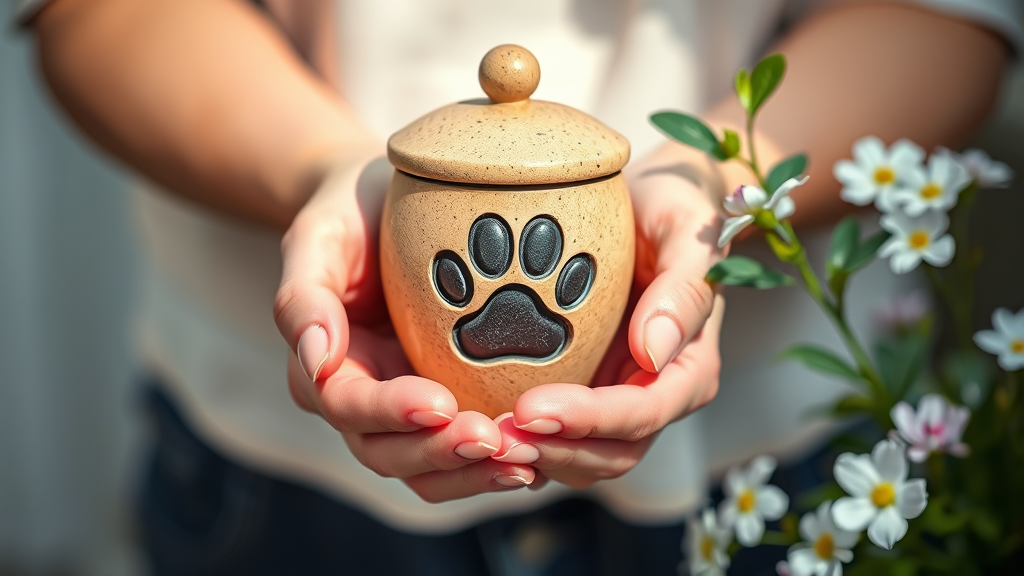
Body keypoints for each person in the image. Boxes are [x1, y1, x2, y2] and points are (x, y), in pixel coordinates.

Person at [20, 0, 1018, 573]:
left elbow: (950, 14)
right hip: (277, 472)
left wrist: (707, 183)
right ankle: (518, 288)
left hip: (773, 456)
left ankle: (497, 288)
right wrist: (327, 173)